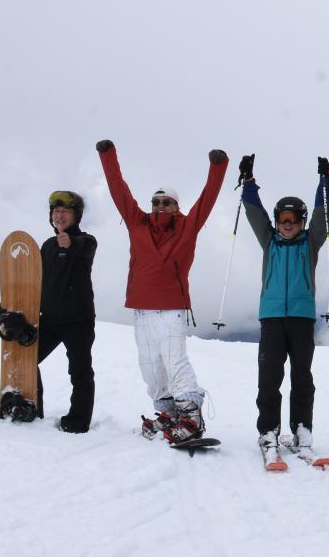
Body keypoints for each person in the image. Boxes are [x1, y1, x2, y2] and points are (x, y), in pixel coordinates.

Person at [97, 140, 228, 443]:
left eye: (166, 202)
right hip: (141, 310)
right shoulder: (137, 224)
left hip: (170, 309)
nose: (160, 206)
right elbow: (119, 188)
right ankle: (169, 413)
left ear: (176, 206)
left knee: (175, 362)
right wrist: (108, 155)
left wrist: (217, 166)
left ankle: (191, 417)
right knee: (151, 369)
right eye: (156, 202)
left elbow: (207, 198)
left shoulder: (187, 228)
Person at [241, 154, 329, 455]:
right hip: (272, 317)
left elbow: (323, 214)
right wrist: (249, 184)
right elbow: (254, 213)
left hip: (302, 318)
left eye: (293, 220)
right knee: (269, 378)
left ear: (301, 222)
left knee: (301, 376)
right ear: (277, 221)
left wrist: (324, 180)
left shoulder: (311, 242)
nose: (287, 225)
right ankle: (268, 431)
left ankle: (302, 430)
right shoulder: (269, 240)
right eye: (282, 220)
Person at [35, 190, 97, 433]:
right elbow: (36, 281)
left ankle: (78, 421)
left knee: (80, 371)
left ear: (76, 216)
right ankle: (31, 407)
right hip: (49, 319)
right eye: (56, 211)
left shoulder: (87, 241)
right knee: (27, 360)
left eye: (65, 211)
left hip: (78, 320)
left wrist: (71, 242)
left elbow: (83, 246)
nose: (59, 215)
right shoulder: (48, 245)